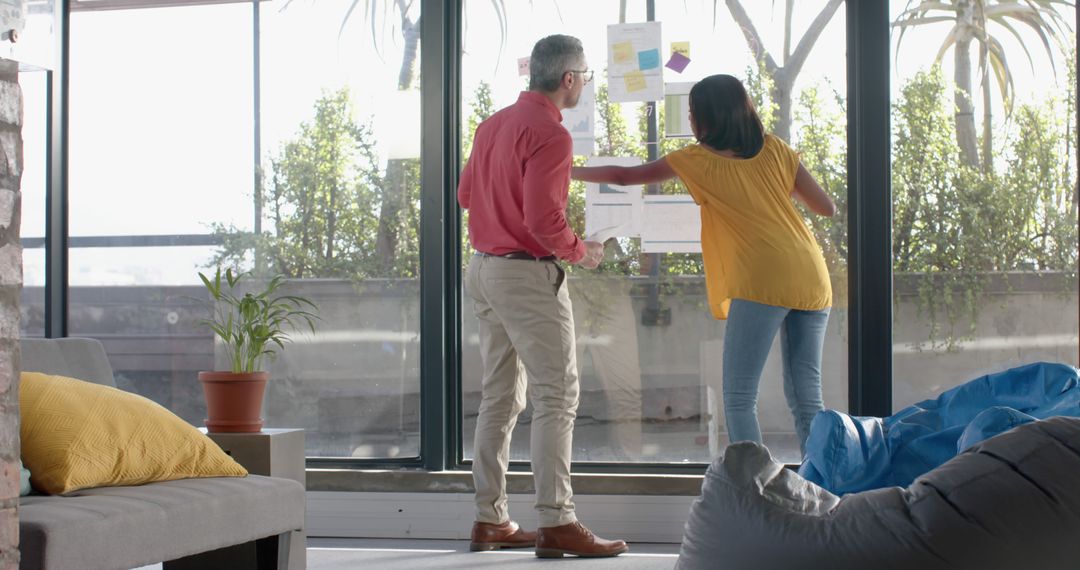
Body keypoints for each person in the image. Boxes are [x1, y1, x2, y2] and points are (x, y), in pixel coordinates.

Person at [571, 74, 835, 457]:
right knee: (808, 397)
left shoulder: (696, 161)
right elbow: (825, 207)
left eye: (693, 113)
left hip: (761, 279)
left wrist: (565, 170)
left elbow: (623, 176)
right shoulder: (777, 150)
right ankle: (822, 488)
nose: (691, 122)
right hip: (811, 274)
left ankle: (754, 494)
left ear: (707, 119)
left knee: (740, 396)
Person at [458, 34, 629, 559]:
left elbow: (467, 195)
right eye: (586, 77)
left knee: (501, 396)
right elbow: (542, 221)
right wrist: (583, 252)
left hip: (483, 270)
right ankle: (557, 521)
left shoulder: (493, 124)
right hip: (526, 276)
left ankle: (491, 520)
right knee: (557, 395)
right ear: (569, 79)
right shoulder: (552, 135)